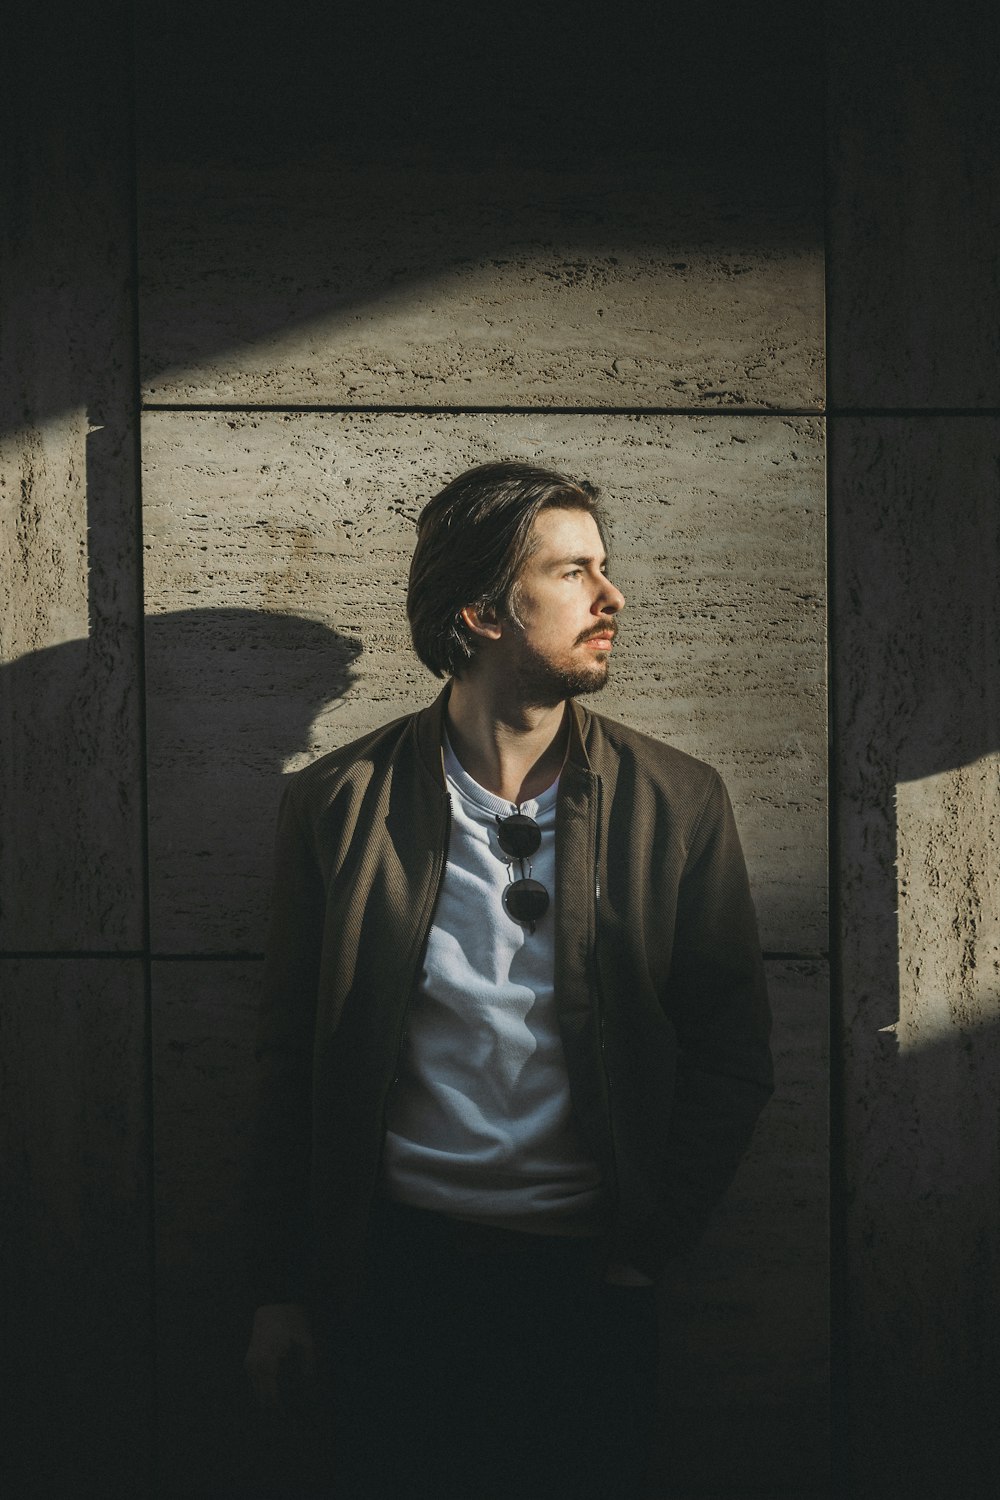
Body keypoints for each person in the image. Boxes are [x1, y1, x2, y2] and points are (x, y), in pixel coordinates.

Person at [243, 460, 774, 1499]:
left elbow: (731, 1052)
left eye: (602, 569)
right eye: (573, 572)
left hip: (587, 1286)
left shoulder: (677, 801)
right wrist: (276, 1291)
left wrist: (643, 1255)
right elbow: (285, 1066)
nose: (612, 597)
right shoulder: (337, 806)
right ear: (483, 611)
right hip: (392, 1282)